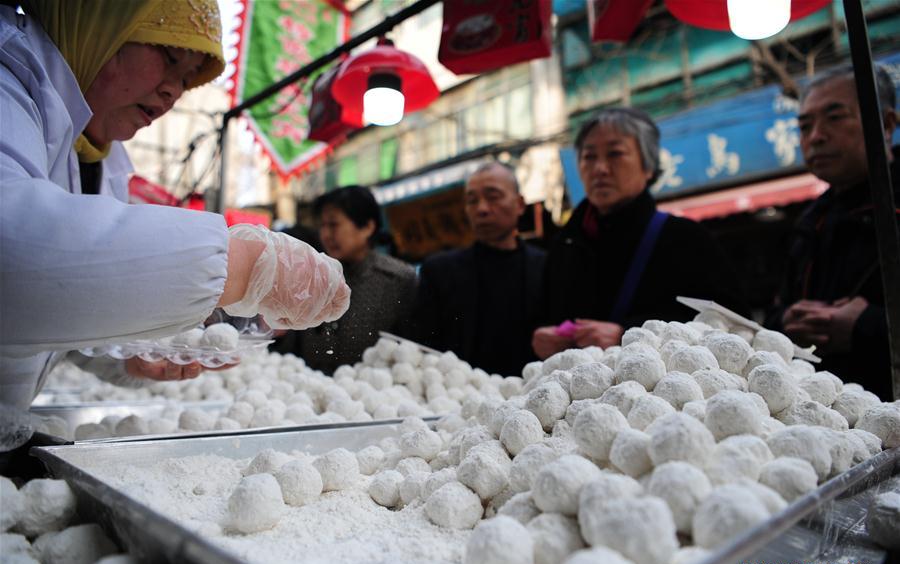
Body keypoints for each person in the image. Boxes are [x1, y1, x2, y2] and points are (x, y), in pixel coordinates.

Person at [0, 0, 350, 409]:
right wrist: (241, 264)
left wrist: (129, 356)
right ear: (99, 23)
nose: (172, 92)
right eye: (169, 57)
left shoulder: (98, 157)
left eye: (186, 80)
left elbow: (52, 308)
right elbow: (14, 260)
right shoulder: (8, 85)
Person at [533, 107, 746, 359]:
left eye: (615, 154)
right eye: (589, 156)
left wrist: (630, 333)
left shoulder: (685, 239)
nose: (600, 168)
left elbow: (732, 325)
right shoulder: (564, 247)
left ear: (648, 167)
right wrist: (541, 337)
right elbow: (544, 317)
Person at [766, 64, 898, 401]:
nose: (816, 136)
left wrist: (868, 324)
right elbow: (775, 312)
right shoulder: (811, 220)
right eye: (805, 126)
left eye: (834, 118)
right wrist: (789, 321)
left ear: (886, 124)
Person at [409, 162, 546, 376]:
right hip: (460, 398)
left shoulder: (547, 268)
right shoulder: (439, 272)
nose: (482, 208)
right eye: (472, 201)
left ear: (520, 204)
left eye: (493, 197)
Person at [274, 186, 416, 374]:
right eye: (322, 226)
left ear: (367, 227)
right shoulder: (312, 275)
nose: (325, 234)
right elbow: (291, 346)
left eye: (333, 225)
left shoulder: (398, 280)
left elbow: (411, 352)